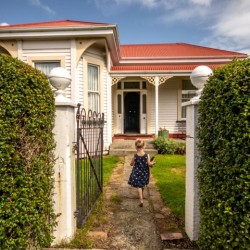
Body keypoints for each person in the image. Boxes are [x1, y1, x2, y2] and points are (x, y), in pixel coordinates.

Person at [128, 139, 155, 207]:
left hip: (136, 172)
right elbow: (149, 164)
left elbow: (131, 164)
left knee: (139, 186)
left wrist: (132, 162)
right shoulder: (147, 155)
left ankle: (141, 199)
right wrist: (152, 163)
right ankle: (141, 199)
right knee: (141, 185)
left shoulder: (135, 156)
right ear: (144, 146)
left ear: (136, 147)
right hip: (144, 172)